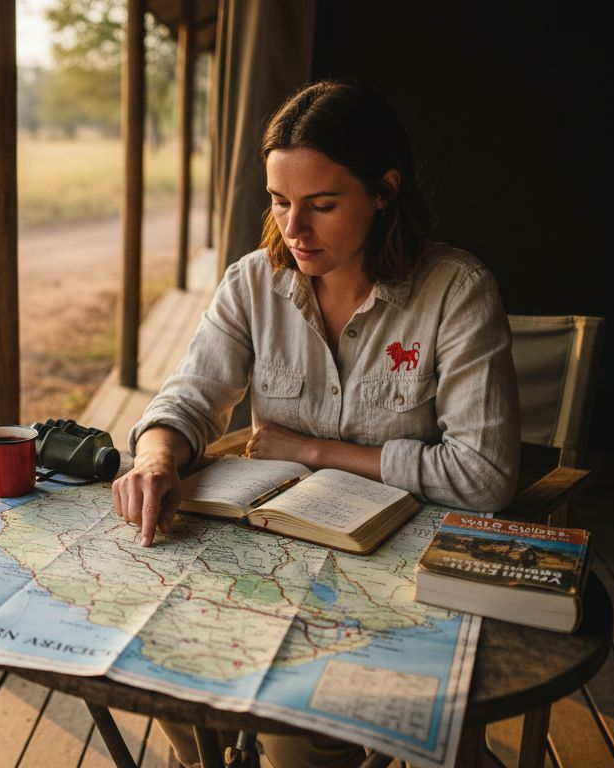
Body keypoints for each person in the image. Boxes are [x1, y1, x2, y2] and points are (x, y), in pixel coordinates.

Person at [111, 81, 521, 768]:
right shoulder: (252, 283)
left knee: (303, 730)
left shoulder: (456, 292)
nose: (293, 229)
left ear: (384, 191)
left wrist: (313, 450)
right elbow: (189, 398)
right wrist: (156, 456)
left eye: (322, 205)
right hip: (273, 563)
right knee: (163, 672)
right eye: (279, 201)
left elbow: (484, 476)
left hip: (398, 576)